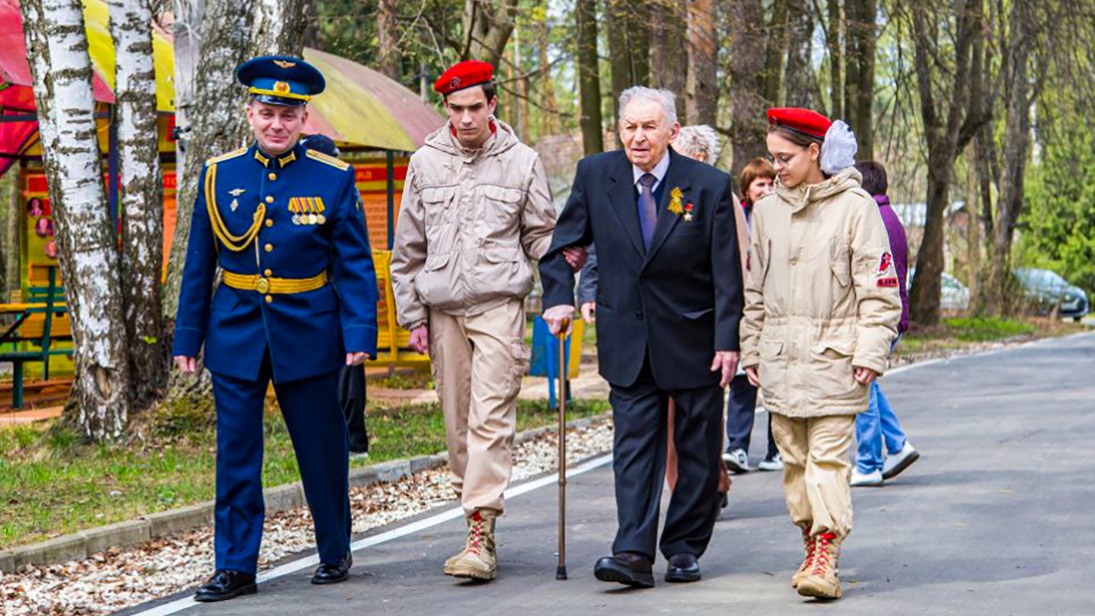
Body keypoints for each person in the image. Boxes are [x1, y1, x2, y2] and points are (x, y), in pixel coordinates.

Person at [172, 55, 379, 602]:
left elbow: (354, 263)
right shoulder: (219, 174)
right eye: (267, 112)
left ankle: (334, 548)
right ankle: (235, 564)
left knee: (321, 446)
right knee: (237, 453)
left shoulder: (333, 178)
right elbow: (199, 262)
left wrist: (359, 334)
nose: (276, 124)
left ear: (305, 119)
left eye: (288, 115)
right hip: (236, 329)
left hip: (309, 330)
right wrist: (187, 337)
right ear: (249, 113)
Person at [541, 88, 743, 588]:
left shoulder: (707, 185)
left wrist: (728, 340)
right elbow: (564, 248)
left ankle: (683, 547)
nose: (637, 136)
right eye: (629, 126)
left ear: (672, 132)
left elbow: (726, 272)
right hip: (626, 337)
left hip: (694, 336)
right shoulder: (596, 175)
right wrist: (559, 297)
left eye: (649, 127)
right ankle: (632, 551)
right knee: (634, 449)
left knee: (696, 450)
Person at [389, 60, 556, 582]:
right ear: (447, 109)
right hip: (442, 311)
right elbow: (407, 250)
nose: (465, 119)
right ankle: (475, 514)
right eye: (457, 109)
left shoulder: (522, 162)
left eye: (475, 108)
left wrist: (566, 286)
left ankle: (480, 529)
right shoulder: (425, 162)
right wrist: (412, 315)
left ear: (492, 106)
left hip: (498, 305)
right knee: (457, 422)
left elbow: (541, 236)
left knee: (489, 417)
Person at [739, 108, 901, 600]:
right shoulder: (766, 213)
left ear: (815, 152)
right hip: (781, 358)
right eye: (772, 156)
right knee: (793, 460)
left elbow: (880, 291)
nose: (776, 167)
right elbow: (756, 291)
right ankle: (810, 540)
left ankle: (827, 552)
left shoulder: (856, 208)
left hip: (837, 357)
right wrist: (753, 349)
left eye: (786, 157)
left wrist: (871, 352)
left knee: (827, 460)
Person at [850, 161, 920, 487]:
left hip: (884, 319)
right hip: (895, 317)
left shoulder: (873, 219)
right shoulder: (888, 216)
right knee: (869, 384)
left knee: (860, 386)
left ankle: (868, 462)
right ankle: (897, 444)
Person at [301, 133, 371, 456]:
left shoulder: (343, 192)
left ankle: (353, 440)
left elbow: (352, 251)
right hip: (317, 296)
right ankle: (333, 439)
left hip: (339, 293)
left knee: (348, 370)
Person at [723, 158, 782, 474]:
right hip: (744, 308)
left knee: (773, 381)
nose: (767, 189)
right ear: (747, 189)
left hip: (774, 310)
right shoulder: (736, 218)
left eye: (772, 183)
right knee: (743, 380)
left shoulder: (781, 218)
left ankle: (777, 450)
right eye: (760, 184)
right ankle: (737, 447)